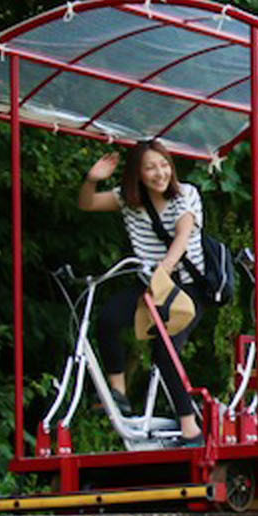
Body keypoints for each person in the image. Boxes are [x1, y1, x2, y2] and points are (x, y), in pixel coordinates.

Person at [77, 139, 205, 444]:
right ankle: (118, 392)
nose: (159, 173)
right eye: (150, 167)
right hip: (149, 286)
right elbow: (87, 203)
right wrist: (92, 180)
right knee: (108, 318)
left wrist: (166, 267)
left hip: (185, 289)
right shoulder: (127, 199)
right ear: (138, 173)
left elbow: (184, 233)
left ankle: (191, 428)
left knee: (165, 350)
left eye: (164, 165)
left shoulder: (186, 194)